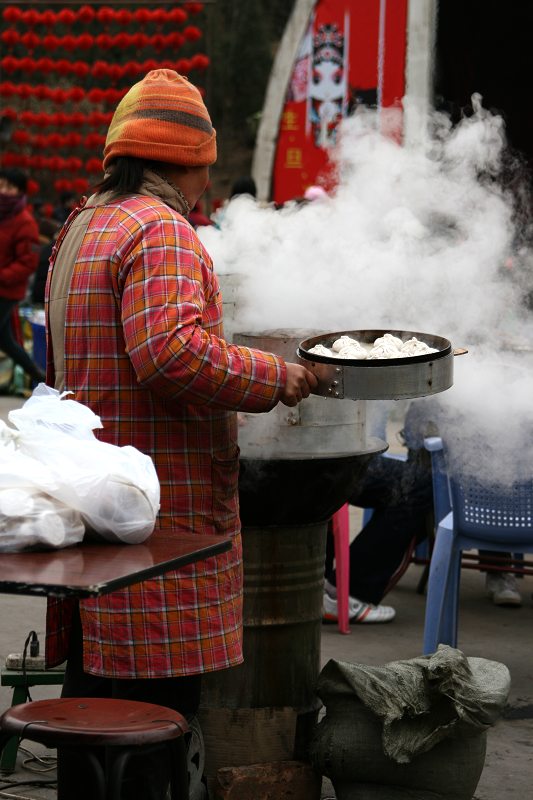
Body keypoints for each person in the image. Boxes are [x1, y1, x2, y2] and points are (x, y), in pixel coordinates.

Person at [44, 69, 317, 800]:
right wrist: (274, 377)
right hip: (160, 530)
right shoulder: (161, 229)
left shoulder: (85, 224)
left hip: (98, 513)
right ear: (193, 161)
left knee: (92, 707)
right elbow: (169, 352)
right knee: (151, 722)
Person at [323, 432, 433, 624]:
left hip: (320, 450)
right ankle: (346, 594)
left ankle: (324, 590)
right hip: (320, 460)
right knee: (419, 486)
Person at [0, 168, 46, 385]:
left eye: (8, 187)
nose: (3, 191)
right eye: (1, 185)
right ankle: (40, 378)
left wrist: (2, 276)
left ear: (19, 192)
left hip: (6, 290)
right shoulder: (3, 216)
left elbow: (28, 262)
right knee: (6, 341)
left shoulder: (24, 221)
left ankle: (40, 379)